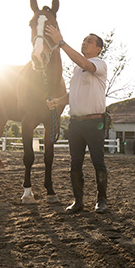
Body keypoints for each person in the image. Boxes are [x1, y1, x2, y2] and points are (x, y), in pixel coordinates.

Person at [45, 25, 109, 214]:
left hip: (94, 122)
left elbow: (84, 63)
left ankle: (102, 200)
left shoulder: (99, 64)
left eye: (89, 41)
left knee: (98, 161)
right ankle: (78, 201)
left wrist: (61, 43)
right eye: (84, 40)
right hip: (76, 123)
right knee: (75, 163)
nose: (84, 42)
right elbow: (72, 93)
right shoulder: (76, 70)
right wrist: (58, 101)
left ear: (98, 49)